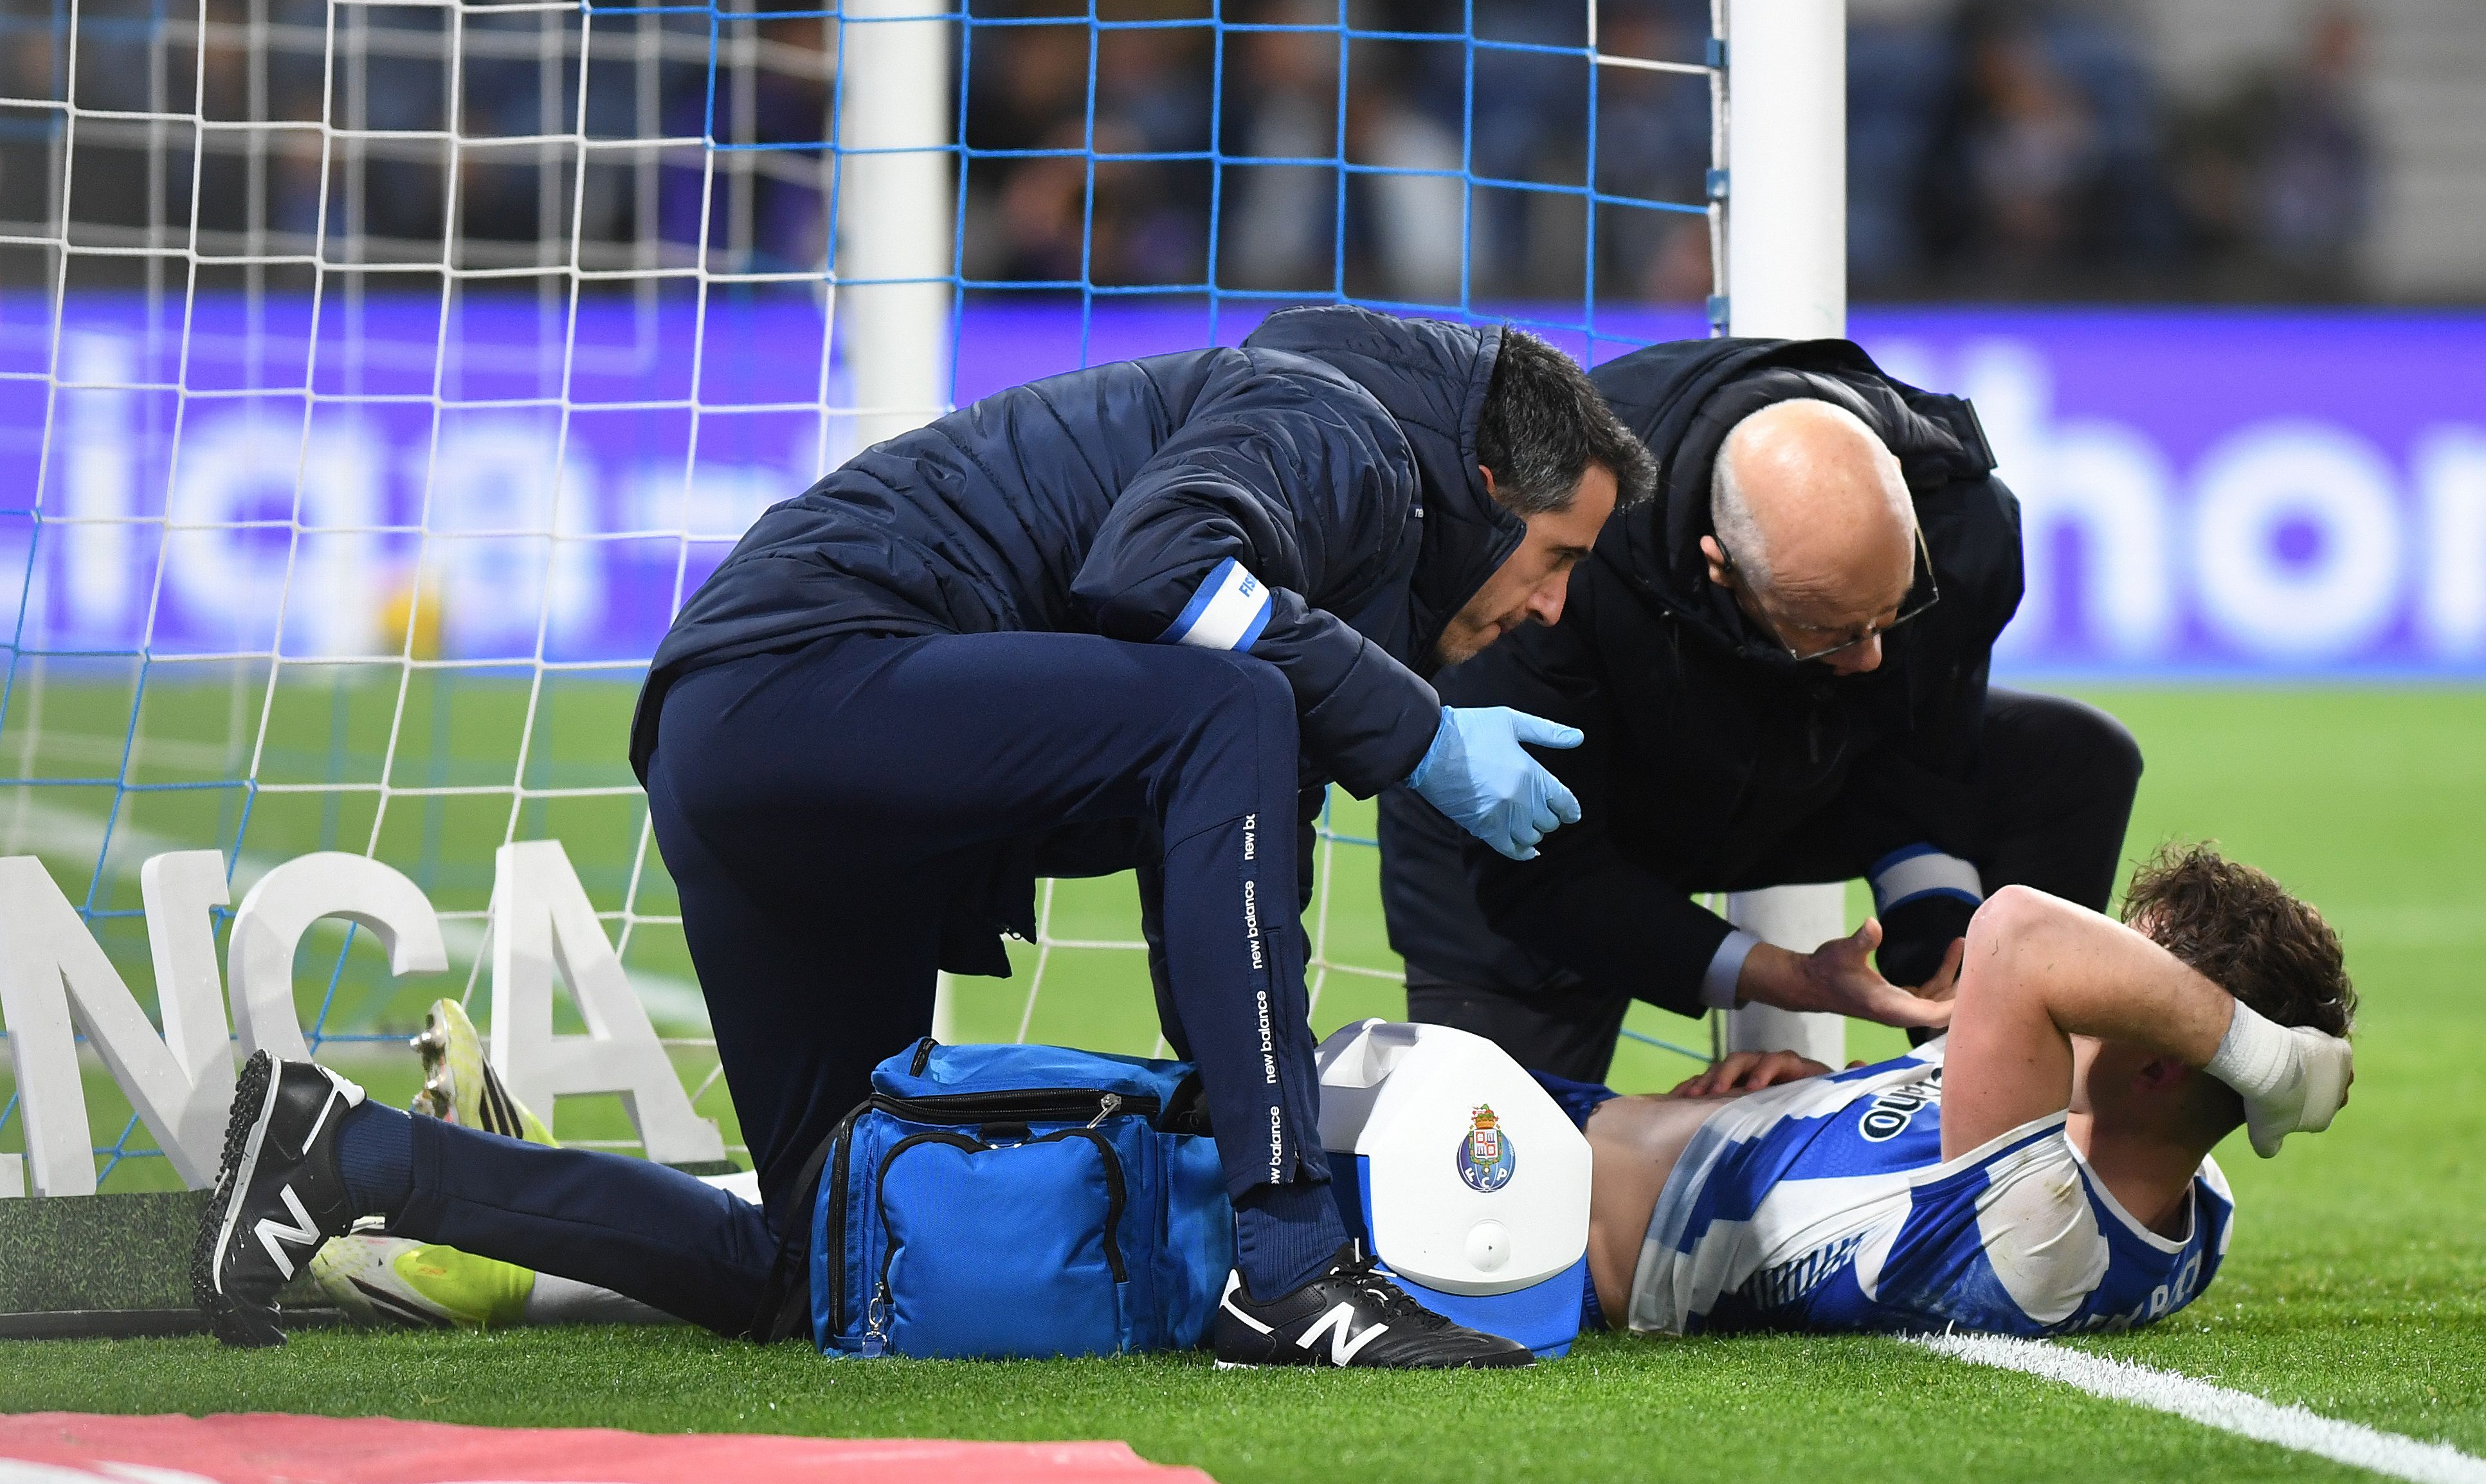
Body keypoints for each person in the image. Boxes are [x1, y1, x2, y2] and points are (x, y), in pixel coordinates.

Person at [197, 306, 1658, 1370]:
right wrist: (1412, 732)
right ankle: (1285, 1266)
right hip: (808, 686)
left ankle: (341, 1150)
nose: (1549, 607)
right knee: (1234, 712)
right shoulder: (1335, 428)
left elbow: (1220, 792)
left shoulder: (1339, 490)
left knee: (819, 1252)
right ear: (1485, 490)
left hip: (752, 746)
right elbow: (1158, 576)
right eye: (1556, 561)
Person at [1380, 336, 2145, 1082]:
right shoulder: (1556, 553)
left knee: (2074, 757)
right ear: (1720, 566)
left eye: (1889, 615)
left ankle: (1967, 1093)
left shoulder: (1964, 528)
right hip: (1556, 826)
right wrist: (1797, 978)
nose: (1868, 657)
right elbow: (1538, 876)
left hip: (1793, 763)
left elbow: (1916, 761)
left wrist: (1940, 952)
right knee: (1498, 1167)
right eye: (1829, 630)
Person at [1545, 844, 2354, 1337]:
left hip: (1543, 1223)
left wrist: (2272, 1062)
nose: (2090, 986)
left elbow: (2021, 933)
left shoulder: (2033, 1235)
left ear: (2161, 1064)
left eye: (2117, 984)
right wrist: (1827, 1101)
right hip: (1585, 1128)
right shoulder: (2192, 1209)